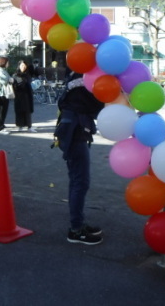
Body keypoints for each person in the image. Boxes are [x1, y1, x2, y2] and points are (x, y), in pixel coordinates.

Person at [53, 70, 105, 245]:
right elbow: (96, 106)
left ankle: (78, 224)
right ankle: (76, 230)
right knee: (80, 181)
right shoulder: (85, 80)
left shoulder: (77, 77)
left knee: (76, 180)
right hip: (75, 133)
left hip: (72, 132)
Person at [12, 59, 36, 133]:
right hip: (19, 96)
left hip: (27, 95)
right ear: (19, 66)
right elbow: (19, 84)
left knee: (27, 111)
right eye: (22, 65)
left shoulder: (27, 74)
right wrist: (23, 81)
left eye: (25, 66)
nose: (23, 67)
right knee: (19, 111)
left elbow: (28, 83)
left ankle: (29, 126)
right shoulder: (16, 75)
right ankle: (20, 125)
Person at [0, 57, 13, 134]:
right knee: (0, 111)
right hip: (1, 94)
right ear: (4, 62)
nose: (8, 64)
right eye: (7, 62)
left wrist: (10, 79)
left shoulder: (4, 70)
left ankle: (1, 125)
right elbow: (5, 80)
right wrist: (10, 79)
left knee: (4, 110)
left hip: (5, 94)